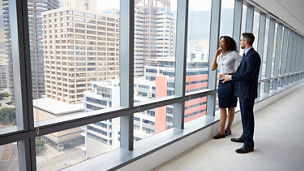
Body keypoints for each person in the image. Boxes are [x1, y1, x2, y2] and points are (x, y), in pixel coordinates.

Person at [220, 32, 261, 153]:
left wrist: (231, 78)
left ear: (246, 42)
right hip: (244, 91)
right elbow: (242, 72)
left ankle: (249, 144)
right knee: (245, 116)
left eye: (241, 40)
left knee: (247, 117)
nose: (240, 42)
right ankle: (245, 136)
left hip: (247, 92)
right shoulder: (247, 54)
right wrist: (230, 75)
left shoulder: (252, 56)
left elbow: (248, 75)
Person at [211, 36, 241, 139]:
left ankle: (228, 129)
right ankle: (222, 131)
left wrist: (234, 75)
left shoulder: (233, 54)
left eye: (223, 42)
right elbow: (213, 68)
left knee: (231, 106)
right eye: (220, 41)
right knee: (222, 106)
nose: (220, 43)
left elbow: (244, 63)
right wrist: (216, 55)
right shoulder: (219, 55)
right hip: (221, 82)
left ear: (227, 44)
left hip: (230, 81)